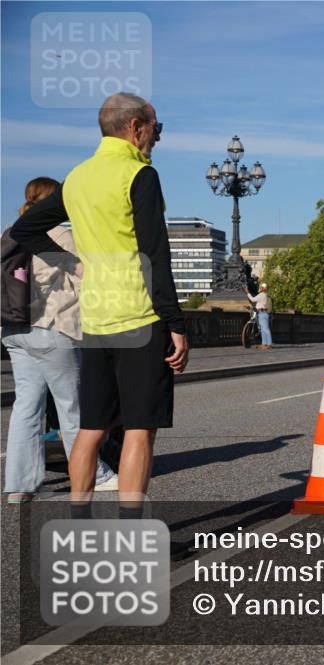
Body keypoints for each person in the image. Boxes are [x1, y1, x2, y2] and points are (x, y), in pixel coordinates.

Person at [11, 92, 189, 519]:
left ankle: (79, 521)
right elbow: (155, 255)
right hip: (139, 317)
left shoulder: (78, 177)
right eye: (156, 129)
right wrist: (176, 323)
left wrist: (72, 263)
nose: (156, 139)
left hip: (94, 320)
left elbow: (25, 228)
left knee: (91, 428)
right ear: (135, 127)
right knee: (139, 430)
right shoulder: (139, 176)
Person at [2, 177, 118, 504]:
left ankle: (19, 485)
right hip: (51, 329)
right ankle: (96, 473)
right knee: (73, 407)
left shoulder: (9, 233)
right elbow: (87, 284)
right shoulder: (59, 235)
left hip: (14, 330)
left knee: (26, 407)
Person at [245, 282, 272, 350]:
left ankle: (269, 344)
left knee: (265, 329)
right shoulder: (265, 295)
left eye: (260, 287)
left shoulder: (261, 295)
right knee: (263, 330)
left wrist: (248, 293)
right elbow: (259, 304)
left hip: (262, 314)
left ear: (263, 289)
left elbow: (253, 299)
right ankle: (264, 344)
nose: (259, 288)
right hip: (262, 313)